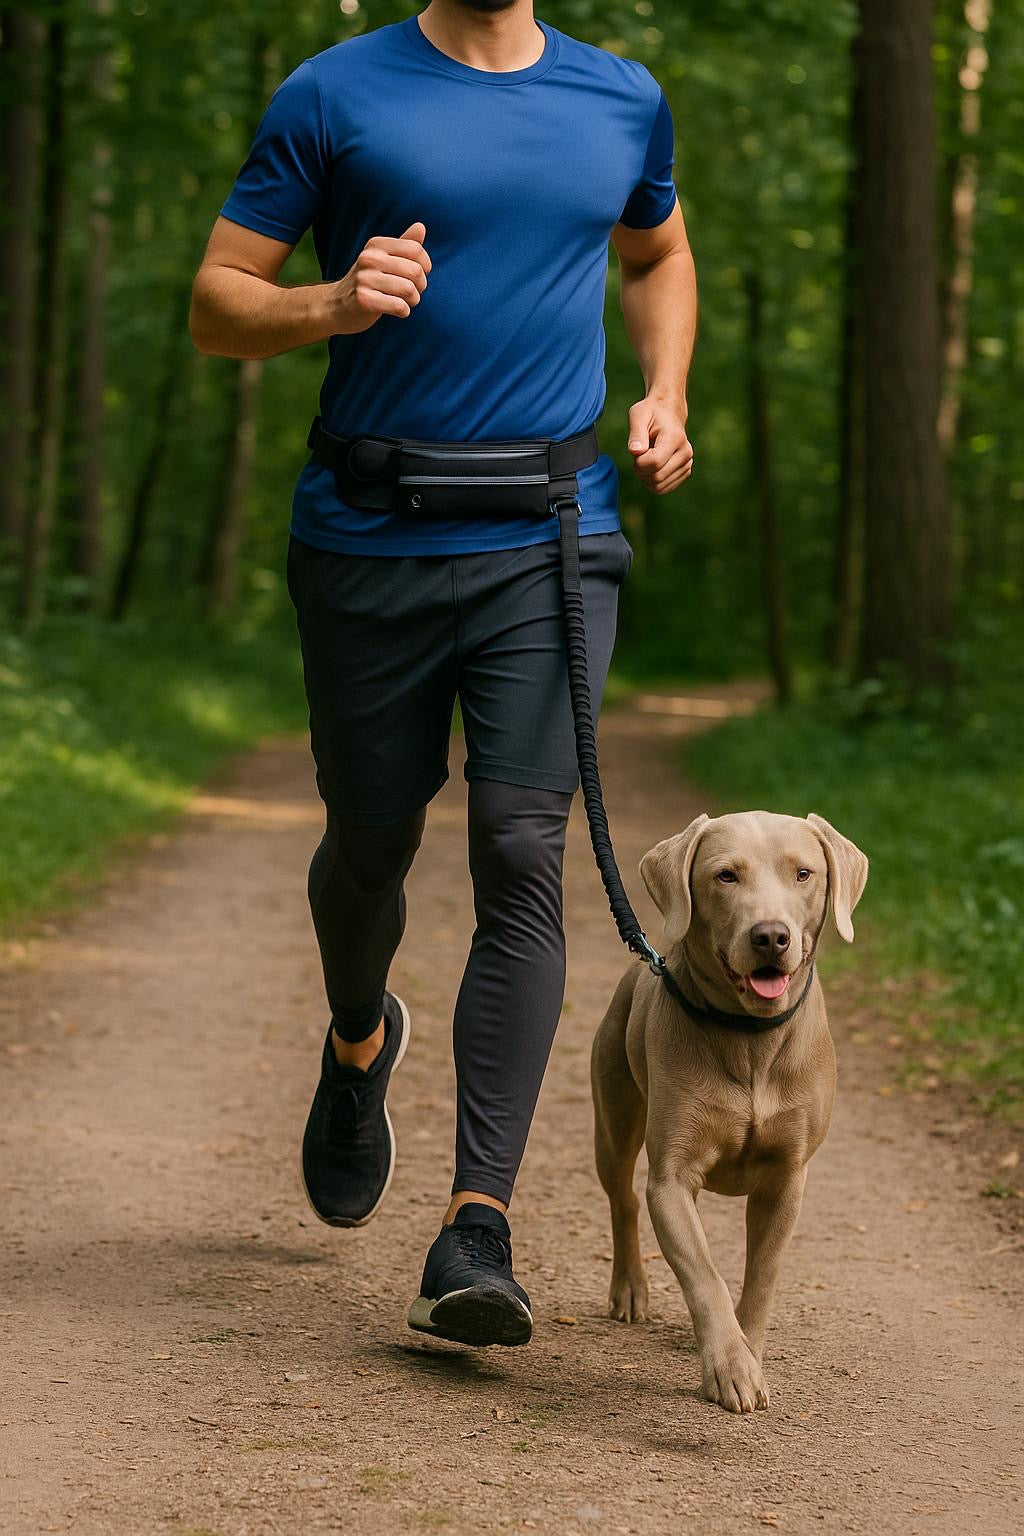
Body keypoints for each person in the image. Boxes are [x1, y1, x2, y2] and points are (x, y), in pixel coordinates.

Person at [189, 0, 696, 1349]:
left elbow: (658, 253)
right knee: (371, 841)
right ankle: (360, 1039)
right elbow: (216, 304)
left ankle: (480, 1224)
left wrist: (665, 391)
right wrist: (331, 300)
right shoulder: (335, 93)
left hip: (550, 533)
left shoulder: (620, 96)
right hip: (366, 538)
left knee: (521, 846)